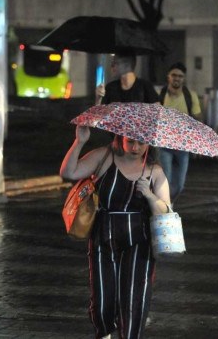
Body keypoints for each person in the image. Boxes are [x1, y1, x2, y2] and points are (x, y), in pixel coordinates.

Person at [60, 126, 170, 339]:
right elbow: (68, 172)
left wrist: (149, 194)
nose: (136, 147)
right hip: (103, 236)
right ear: (121, 137)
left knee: (134, 299)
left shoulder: (154, 171)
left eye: (142, 141)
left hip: (139, 241)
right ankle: (104, 333)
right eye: (131, 141)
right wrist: (79, 141)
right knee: (103, 299)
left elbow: (166, 210)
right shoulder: (104, 157)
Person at [158, 62, 202, 202]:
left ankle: (167, 203)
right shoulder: (161, 95)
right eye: (174, 75)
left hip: (183, 146)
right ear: (168, 77)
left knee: (180, 185)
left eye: (180, 76)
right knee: (166, 181)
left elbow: (198, 120)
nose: (177, 78)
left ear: (184, 78)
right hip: (164, 145)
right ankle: (165, 208)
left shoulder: (190, 96)